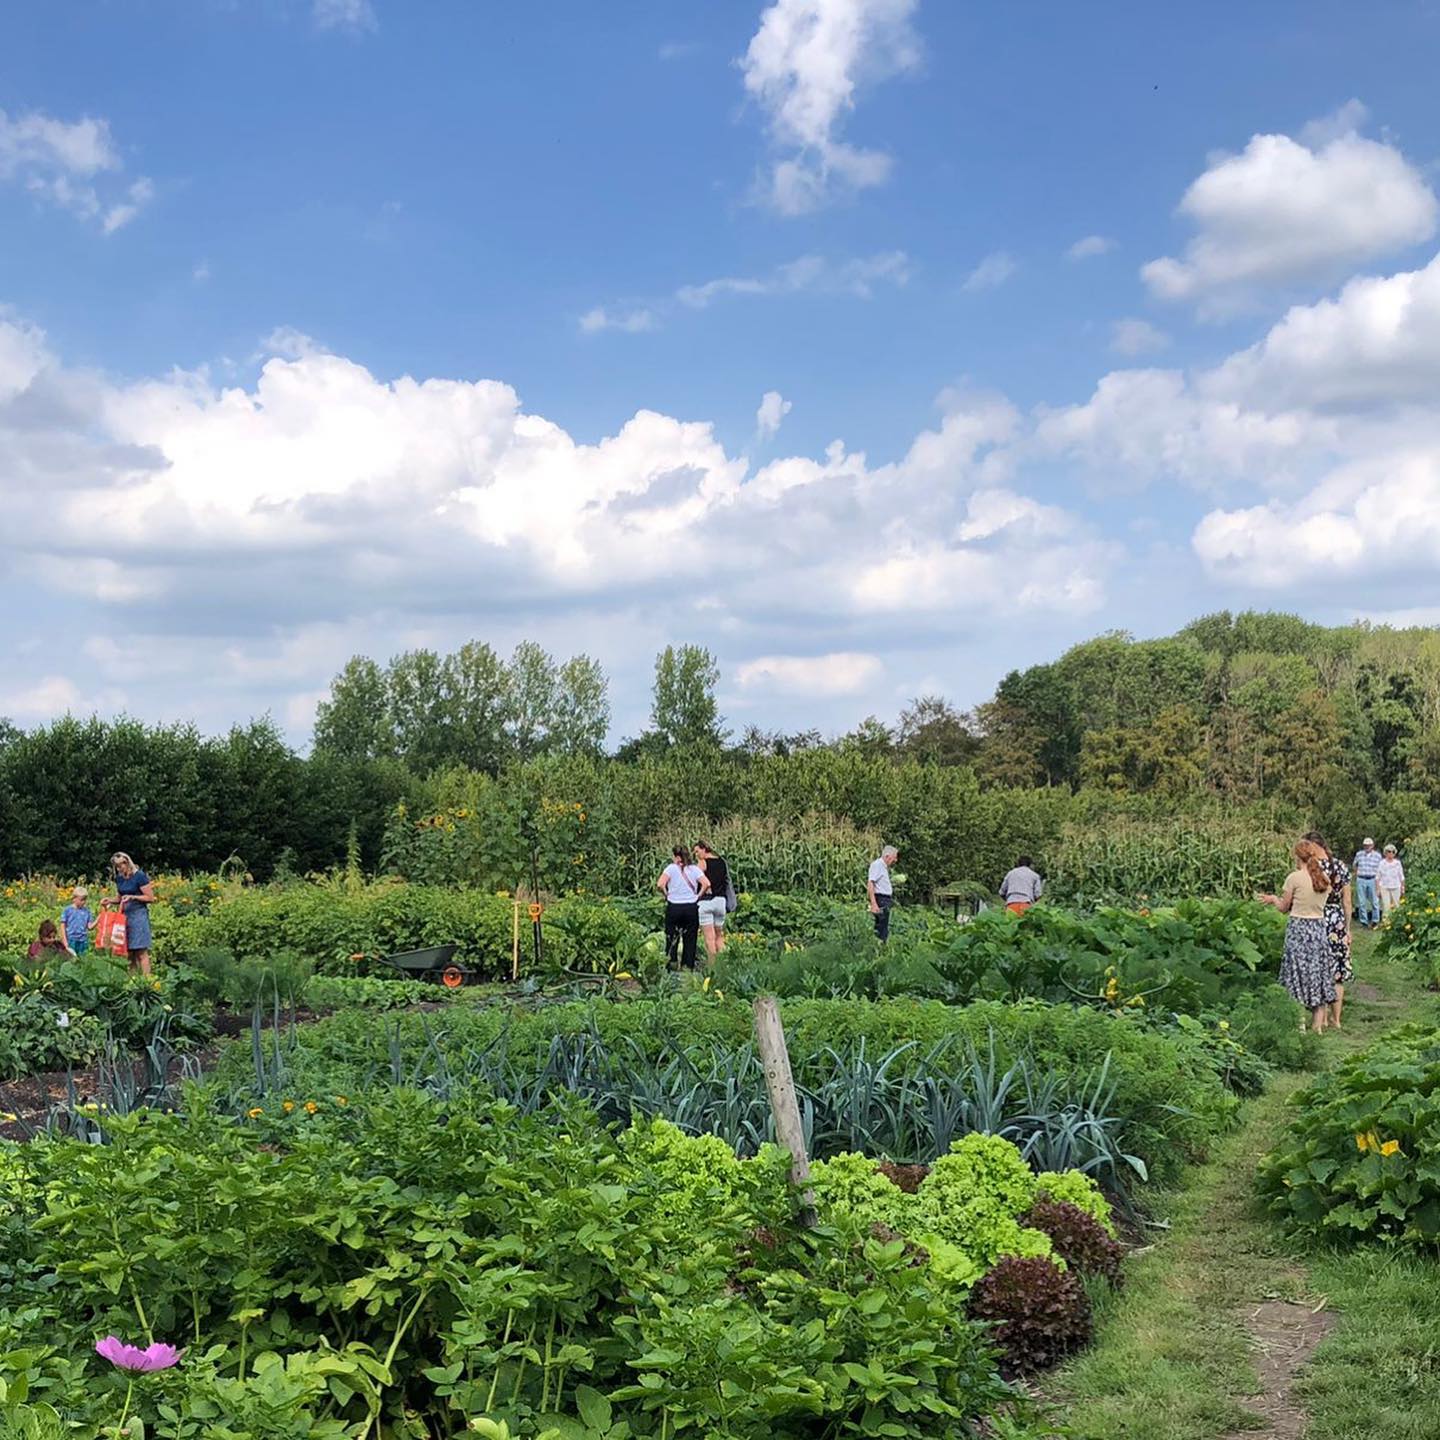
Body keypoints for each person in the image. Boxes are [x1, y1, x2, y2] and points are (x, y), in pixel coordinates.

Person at [1259, 840, 1336, 1034]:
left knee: (1297, 974)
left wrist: (1273, 899)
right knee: (1317, 973)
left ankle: (1300, 1023)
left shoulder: (1294, 878)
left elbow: (1284, 907)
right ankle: (1317, 1026)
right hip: (1318, 929)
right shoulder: (1323, 878)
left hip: (1299, 929)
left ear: (1297, 857)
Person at [1305, 832, 1352, 1030]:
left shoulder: (1311, 868)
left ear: (1313, 847)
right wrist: (1348, 929)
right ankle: (1337, 1020)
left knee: (1319, 968)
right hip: (1337, 921)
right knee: (1337, 973)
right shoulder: (1340, 866)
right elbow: (1347, 901)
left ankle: (1321, 1019)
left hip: (1317, 918)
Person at [656, 845, 708, 971]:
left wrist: (666, 894)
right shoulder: (694, 869)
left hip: (674, 907)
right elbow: (706, 883)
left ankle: (671, 965)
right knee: (690, 938)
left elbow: (660, 884)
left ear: (677, 856)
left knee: (672, 937)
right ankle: (687, 967)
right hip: (691, 907)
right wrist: (698, 896)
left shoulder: (671, 868)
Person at [108, 851, 156, 977]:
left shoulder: (139, 876)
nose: (119, 869)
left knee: (141, 951)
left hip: (138, 915)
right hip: (124, 916)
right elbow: (120, 898)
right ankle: (132, 981)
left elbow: (150, 898)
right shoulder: (119, 878)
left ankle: (147, 981)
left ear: (127, 863)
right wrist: (110, 900)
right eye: (117, 867)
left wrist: (133, 897)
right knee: (129, 952)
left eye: (121, 865)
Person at [693, 840, 732, 964]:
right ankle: (724, 965)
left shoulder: (702, 862)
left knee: (709, 939)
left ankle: (712, 968)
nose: (696, 855)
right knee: (719, 936)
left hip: (706, 902)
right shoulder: (722, 862)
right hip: (721, 901)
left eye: (697, 851)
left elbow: (696, 879)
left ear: (704, 849)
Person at [867, 845, 898, 942]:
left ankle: (881, 948)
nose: (895, 860)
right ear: (887, 856)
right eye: (895, 857)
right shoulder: (877, 865)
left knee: (883, 926)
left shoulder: (884, 867)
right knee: (880, 928)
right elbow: (870, 883)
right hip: (880, 900)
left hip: (885, 900)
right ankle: (879, 950)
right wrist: (874, 903)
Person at [1352, 837, 1382, 929]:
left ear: (1372, 846)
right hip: (1361, 879)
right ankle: (1364, 921)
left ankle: (1375, 920)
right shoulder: (1359, 854)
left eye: (1369, 845)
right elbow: (1355, 865)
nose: (1367, 847)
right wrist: (1357, 874)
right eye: (1365, 845)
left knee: (1375, 901)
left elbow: (1380, 869)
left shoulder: (1377, 856)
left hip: (1373, 879)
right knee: (1362, 902)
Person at [61, 886, 96, 956]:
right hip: (71, 939)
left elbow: (90, 927)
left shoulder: (87, 911)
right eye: (81, 900)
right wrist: (64, 940)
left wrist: (99, 918)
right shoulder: (67, 910)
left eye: (85, 900)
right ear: (74, 899)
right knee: (71, 959)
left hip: (83, 940)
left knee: (83, 960)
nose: (84, 902)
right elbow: (62, 926)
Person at [1377, 844, 1406, 920]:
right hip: (1384, 887)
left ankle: (1397, 922)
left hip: (1396, 886)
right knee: (1386, 906)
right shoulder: (1382, 863)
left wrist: (1403, 888)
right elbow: (1378, 877)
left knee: (1397, 905)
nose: (1391, 853)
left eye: (1393, 852)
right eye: (1389, 851)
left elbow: (1401, 876)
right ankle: (1386, 923)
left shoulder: (1397, 863)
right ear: (1385, 853)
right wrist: (1378, 889)